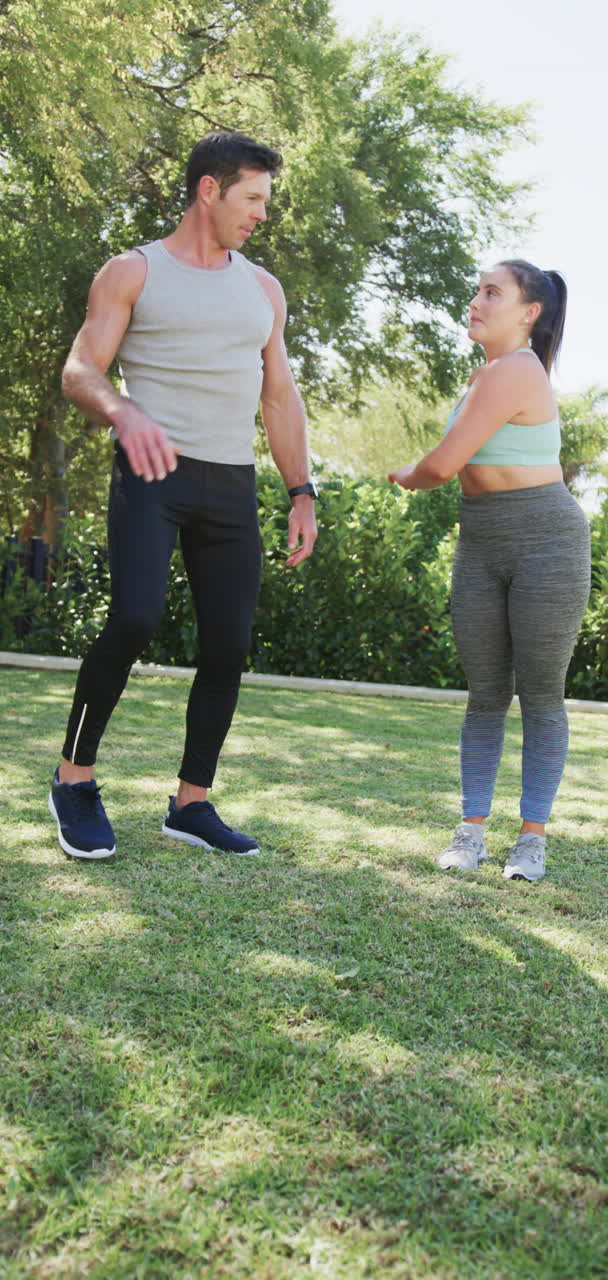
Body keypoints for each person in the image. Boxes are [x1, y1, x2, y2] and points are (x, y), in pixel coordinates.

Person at [49, 131, 317, 861]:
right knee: (135, 616)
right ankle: (74, 779)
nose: (263, 213)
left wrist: (302, 491)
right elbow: (81, 370)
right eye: (253, 198)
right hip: (152, 469)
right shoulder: (133, 272)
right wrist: (123, 410)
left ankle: (191, 803)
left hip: (230, 480)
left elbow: (280, 398)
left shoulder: (263, 290)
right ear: (210, 190)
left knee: (229, 644)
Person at [389, 260, 590, 882]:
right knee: (484, 696)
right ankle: (470, 830)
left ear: (529, 313)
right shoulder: (484, 377)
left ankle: (531, 839)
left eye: (491, 292)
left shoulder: (517, 370)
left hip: (546, 541)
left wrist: (405, 475)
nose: (475, 300)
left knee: (540, 696)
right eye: (476, 289)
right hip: (480, 540)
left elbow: (442, 466)